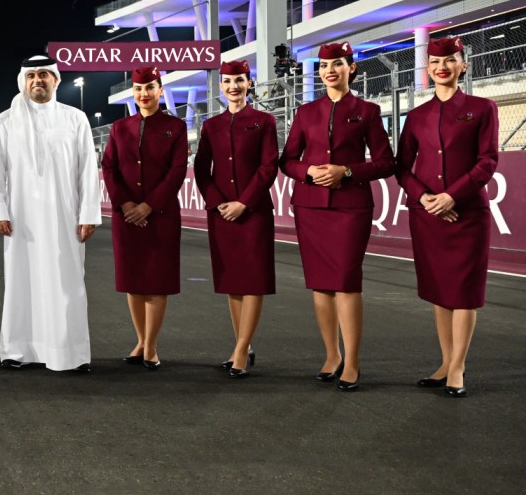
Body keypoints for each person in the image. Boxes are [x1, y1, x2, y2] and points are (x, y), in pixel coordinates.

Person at [279, 40, 396, 392]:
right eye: (324, 66)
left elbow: (386, 162)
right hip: (311, 207)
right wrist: (308, 171)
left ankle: (353, 360)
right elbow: (287, 160)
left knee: (346, 281)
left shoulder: (368, 111)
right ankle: (331, 355)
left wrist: (347, 171)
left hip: (350, 208)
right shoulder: (305, 112)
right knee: (320, 284)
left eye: (337, 64)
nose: (330, 71)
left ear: (351, 68)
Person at [396, 35, 499, 398]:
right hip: (428, 216)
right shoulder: (416, 116)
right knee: (439, 292)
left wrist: (451, 195)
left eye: (451, 60)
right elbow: (402, 167)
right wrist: (424, 197)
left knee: (464, 293)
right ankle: (444, 362)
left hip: (467, 214)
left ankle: (458, 367)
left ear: (463, 65)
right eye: (436, 61)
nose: (442, 67)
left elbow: (487, 161)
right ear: (427, 68)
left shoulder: (483, 108)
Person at [0, 55, 101, 371]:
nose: (37, 80)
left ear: (56, 80)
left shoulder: (75, 118)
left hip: (65, 217)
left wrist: (88, 214)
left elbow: (87, 171)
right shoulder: (6, 121)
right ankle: (18, 350)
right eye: (32, 75)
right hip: (21, 218)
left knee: (67, 283)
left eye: (44, 75)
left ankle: (70, 354)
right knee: (21, 282)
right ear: (24, 80)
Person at [192, 60, 279, 378]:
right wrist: (218, 203)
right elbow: (202, 168)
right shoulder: (211, 125)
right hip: (222, 214)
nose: (233, 86)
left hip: (253, 212)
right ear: (221, 86)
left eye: (239, 80)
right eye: (228, 81)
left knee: (253, 281)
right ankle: (244, 343)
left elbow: (269, 166)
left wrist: (244, 202)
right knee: (233, 282)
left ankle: (240, 350)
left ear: (248, 83)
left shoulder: (264, 121)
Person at [101, 66, 188, 371]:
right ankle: (140, 341)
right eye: (138, 88)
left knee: (157, 282)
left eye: (150, 87)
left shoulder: (175, 127)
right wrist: (125, 204)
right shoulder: (119, 127)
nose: (144, 94)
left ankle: (151, 345)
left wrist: (150, 205)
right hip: (127, 217)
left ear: (161, 90)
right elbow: (109, 167)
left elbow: (177, 170)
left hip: (160, 216)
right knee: (134, 281)